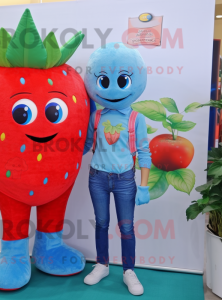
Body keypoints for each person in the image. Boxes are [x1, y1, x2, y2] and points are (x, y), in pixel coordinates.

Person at [83, 42, 151, 296]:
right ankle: (102, 264)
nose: (112, 89)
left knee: (126, 227)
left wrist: (143, 186)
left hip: (125, 180)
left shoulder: (136, 118)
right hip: (97, 178)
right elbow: (87, 145)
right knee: (101, 223)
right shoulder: (97, 117)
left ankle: (128, 271)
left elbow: (144, 153)